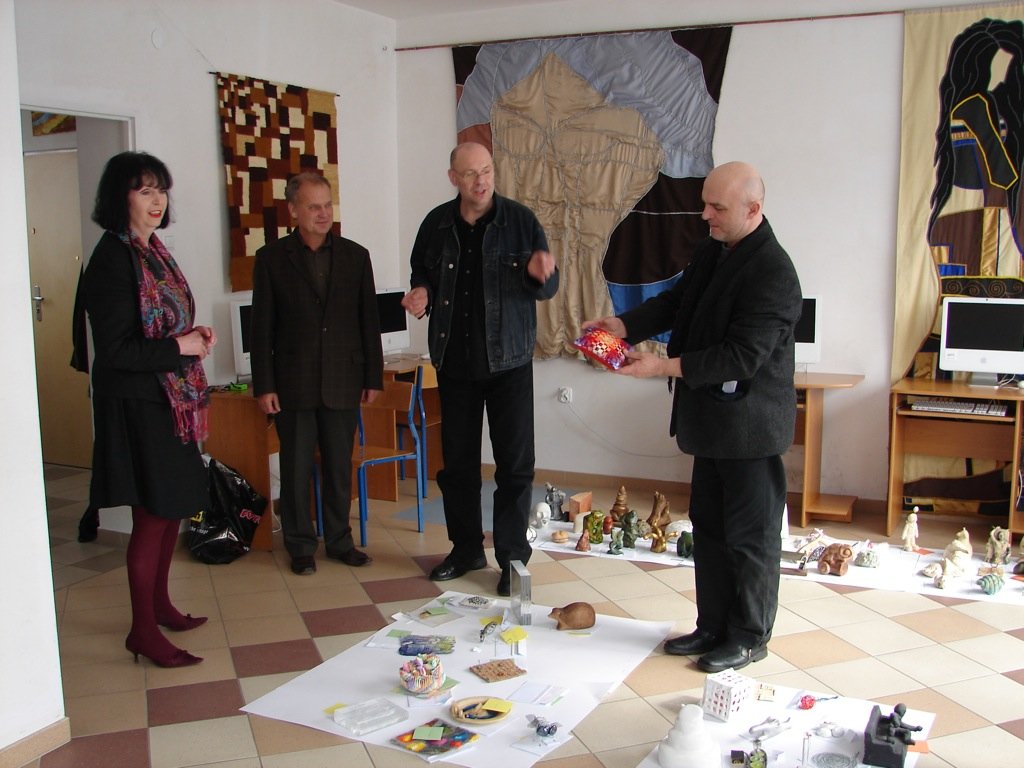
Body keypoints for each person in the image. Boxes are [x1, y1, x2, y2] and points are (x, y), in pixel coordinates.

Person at [584, 161, 802, 673]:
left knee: (750, 538)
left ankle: (748, 636)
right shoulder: (713, 249)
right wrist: (621, 323)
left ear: (753, 209)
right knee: (709, 529)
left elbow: (740, 357)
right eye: (705, 203)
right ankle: (712, 626)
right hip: (710, 423)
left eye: (716, 207)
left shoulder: (774, 272)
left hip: (750, 430)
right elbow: (675, 303)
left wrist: (661, 366)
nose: (705, 215)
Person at [401, 142, 558, 596]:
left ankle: (512, 560)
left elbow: (546, 288)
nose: (481, 181)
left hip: (509, 363)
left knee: (514, 467)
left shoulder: (520, 221)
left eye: (486, 170)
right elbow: (421, 272)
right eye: (470, 174)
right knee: (458, 466)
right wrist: (421, 292)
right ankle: (466, 548)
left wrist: (542, 274)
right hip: (454, 362)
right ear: (454, 178)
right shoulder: (435, 224)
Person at [81, 151, 214, 667]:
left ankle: (160, 606)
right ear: (121, 197)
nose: (157, 200)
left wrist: (192, 337)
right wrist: (180, 347)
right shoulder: (112, 259)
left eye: (161, 189)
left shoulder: (152, 251)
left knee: (170, 507)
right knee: (153, 515)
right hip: (138, 406)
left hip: (168, 400)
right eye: (144, 190)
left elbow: (162, 325)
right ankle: (142, 631)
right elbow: (115, 350)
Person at [250, 172, 383, 576]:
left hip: (344, 379)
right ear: (293, 210)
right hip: (292, 382)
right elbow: (261, 328)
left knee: (339, 467)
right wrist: (264, 385)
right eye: (314, 207)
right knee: (295, 469)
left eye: (328, 205)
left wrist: (373, 376)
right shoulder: (271, 259)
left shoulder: (355, 256)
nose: (324, 214)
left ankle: (340, 541)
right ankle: (300, 545)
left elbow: (369, 321)